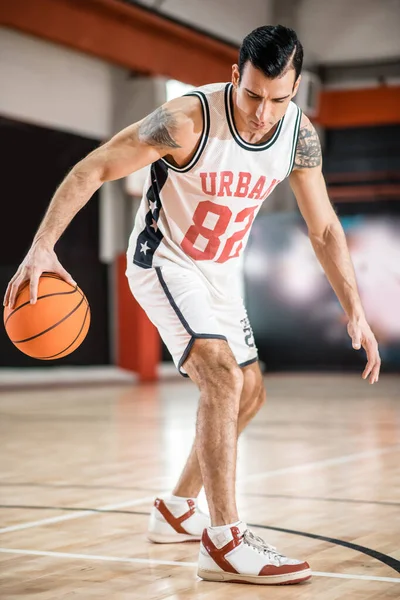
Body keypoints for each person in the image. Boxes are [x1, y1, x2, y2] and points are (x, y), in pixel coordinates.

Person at [4, 25, 381, 586]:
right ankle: (226, 542)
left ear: (296, 89)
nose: (262, 113)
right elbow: (96, 166)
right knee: (222, 377)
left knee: (250, 393)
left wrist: (354, 307)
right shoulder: (185, 121)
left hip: (220, 274)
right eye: (253, 94)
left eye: (279, 98)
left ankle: (177, 509)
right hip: (164, 260)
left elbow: (324, 226)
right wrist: (41, 246)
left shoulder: (297, 134)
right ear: (235, 76)